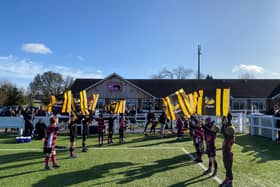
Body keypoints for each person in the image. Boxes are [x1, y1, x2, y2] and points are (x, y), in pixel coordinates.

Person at [220, 114, 235, 187]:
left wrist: (224, 124)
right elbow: (224, 131)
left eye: (227, 131)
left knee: (229, 169)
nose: (226, 131)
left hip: (227, 155)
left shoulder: (229, 137)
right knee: (227, 168)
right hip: (226, 154)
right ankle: (227, 179)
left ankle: (230, 182)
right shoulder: (230, 136)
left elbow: (223, 131)